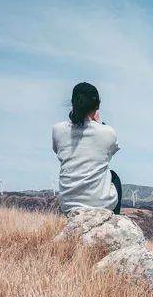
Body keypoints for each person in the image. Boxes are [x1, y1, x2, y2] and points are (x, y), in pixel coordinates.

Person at [52, 81, 122, 214]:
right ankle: (113, 220)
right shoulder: (107, 132)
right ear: (97, 106)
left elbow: (58, 151)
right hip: (102, 205)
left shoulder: (57, 130)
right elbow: (109, 155)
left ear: (73, 103)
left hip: (68, 205)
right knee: (114, 177)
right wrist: (99, 124)